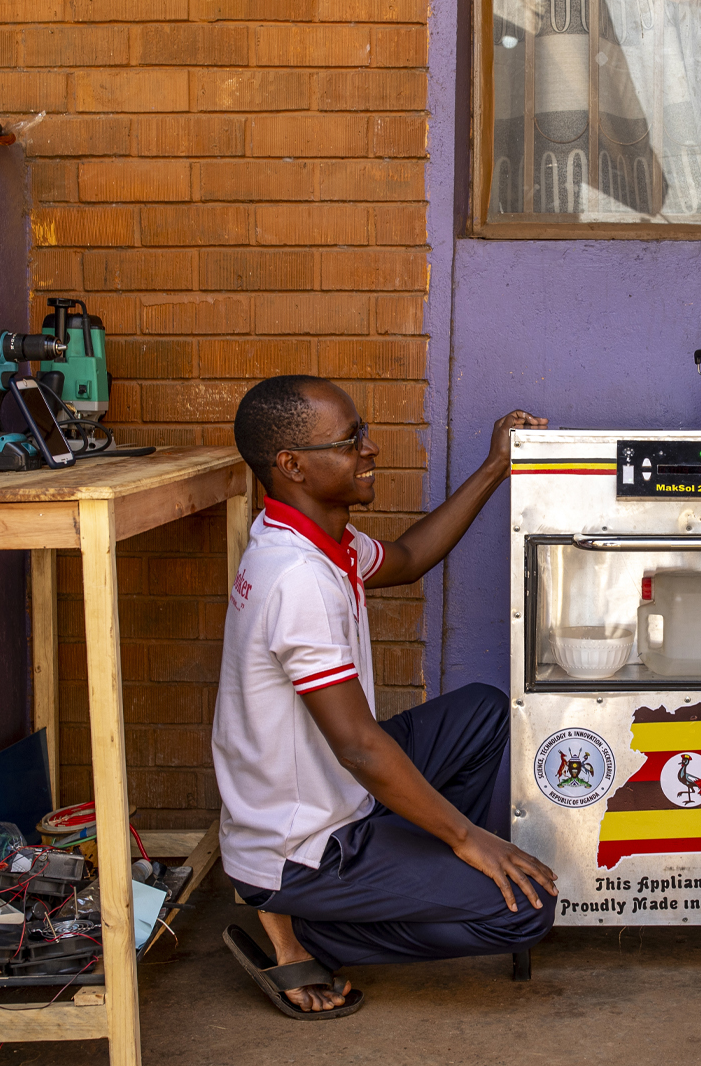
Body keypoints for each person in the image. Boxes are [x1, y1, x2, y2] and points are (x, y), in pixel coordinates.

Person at [213, 374, 557, 1019]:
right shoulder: (297, 578)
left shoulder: (318, 540)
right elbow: (359, 747)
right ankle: (311, 935)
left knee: (482, 712)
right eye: (350, 441)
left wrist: (495, 467)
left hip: (333, 788)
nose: (370, 449)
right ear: (293, 465)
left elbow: (406, 558)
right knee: (524, 912)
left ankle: (402, 869)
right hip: (303, 841)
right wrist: (466, 839)